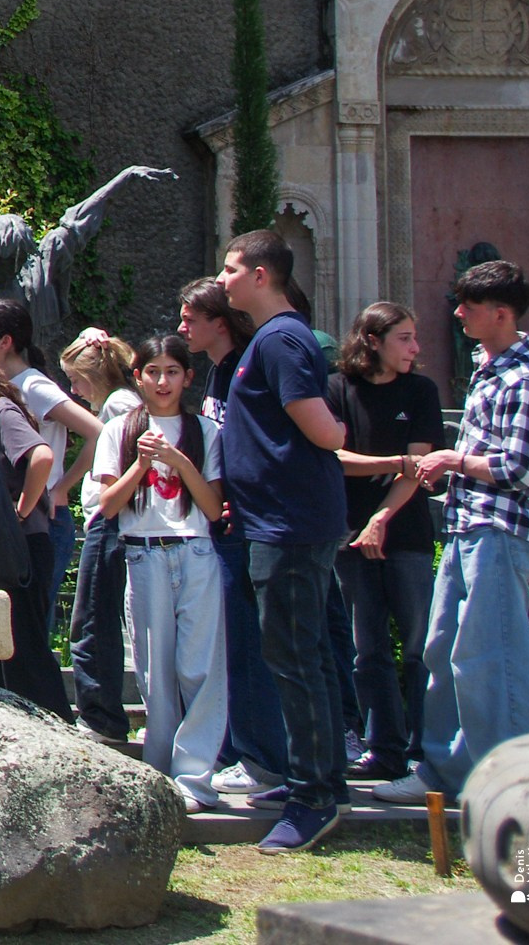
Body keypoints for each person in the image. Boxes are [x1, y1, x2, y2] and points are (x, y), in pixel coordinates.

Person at [379, 260, 529, 807]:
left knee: (493, 657)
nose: (457, 313)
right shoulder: (492, 369)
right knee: (445, 650)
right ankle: (444, 770)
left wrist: (455, 459)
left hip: (501, 532)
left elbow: (525, 470)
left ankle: (513, 791)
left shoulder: (527, 379)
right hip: (467, 528)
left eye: (469, 305)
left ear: (501, 313)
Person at [217, 228, 349, 853]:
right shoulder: (270, 339)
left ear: (261, 275)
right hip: (277, 521)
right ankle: (318, 781)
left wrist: (345, 425)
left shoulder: (283, 339)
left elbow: (322, 431)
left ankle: (314, 798)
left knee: (295, 661)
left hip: (290, 524)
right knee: (305, 657)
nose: (222, 279)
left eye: (231, 268)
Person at [95, 333, 228, 809]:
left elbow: (213, 509)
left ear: (187, 378)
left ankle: (196, 778)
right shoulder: (120, 430)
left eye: (173, 371)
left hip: (195, 553)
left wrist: (178, 461)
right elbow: (107, 506)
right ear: (139, 376)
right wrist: (142, 463)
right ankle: (159, 772)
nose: (163, 381)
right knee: (154, 669)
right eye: (153, 371)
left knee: (200, 666)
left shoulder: (205, 431)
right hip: (143, 552)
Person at [324, 303, 439, 781]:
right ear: (373, 340)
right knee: (365, 649)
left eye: (414, 337)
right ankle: (383, 748)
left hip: (405, 534)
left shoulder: (422, 390)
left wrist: (381, 519)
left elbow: (417, 467)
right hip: (350, 535)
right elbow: (333, 454)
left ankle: (425, 750)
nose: (415, 348)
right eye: (404, 338)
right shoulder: (337, 388)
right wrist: (386, 462)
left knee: (420, 648)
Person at [182, 277, 287, 798]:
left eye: (189, 319)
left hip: (245, 524)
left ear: (218, 323)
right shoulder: (220, 373)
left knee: (249, 645)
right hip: (222, 522)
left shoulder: (247, 367)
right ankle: (236, 749)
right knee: (229, 643)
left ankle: (266, 762)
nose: (181, 329)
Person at [0, 345, 73, 720]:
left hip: (25, 545)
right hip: (2, 547)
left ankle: (59, 727)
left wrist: (21, 510)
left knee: (26, 648)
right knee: (1, 650)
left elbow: (41, 456)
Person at [0, 299, 102, 613]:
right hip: (13, 520)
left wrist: (60, 489)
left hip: (42, 521)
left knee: (31, 631)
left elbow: (98, 432)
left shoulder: (33, 386)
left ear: (6, 342)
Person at [62, 329, 141, 742]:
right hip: (108, 518)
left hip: (111, 520)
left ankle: (101, 718)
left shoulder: (119, 404)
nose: (72, 390)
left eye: (75, 379)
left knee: (92, 617)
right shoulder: (115, 402)